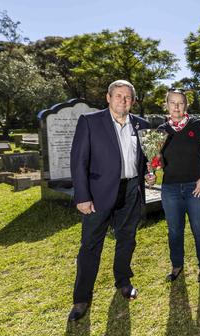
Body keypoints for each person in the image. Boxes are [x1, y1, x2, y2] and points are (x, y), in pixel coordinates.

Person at [68, 80, 150, 321]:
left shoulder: (142, 125)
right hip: (98, 196)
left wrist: (149, 171)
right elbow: (78, 161)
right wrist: (82, 196)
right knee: (90, 246)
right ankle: (81, 298)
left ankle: (123, 281)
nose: (123, 100)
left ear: (133, 101)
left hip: (132, 190)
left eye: (127, 97)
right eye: (118, 96)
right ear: (108, 97)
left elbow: (144, 161)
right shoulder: (90, 122)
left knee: (127, 240)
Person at [157, 88, 200, 283]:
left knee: (199, 227)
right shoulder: (160, 131)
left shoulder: (198, 126)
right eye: (172, 102)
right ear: (167, 105)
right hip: (170, 188)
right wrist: (152, 166)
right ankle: (176, 265)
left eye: (180, 103)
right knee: (174, 230)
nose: (176, 106)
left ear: (186, 105)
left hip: (196, 186)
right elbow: (159, 161)